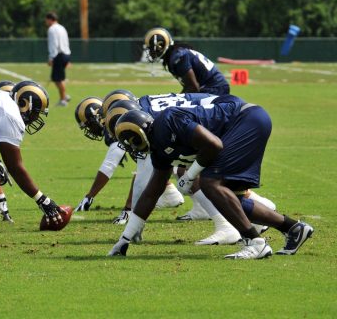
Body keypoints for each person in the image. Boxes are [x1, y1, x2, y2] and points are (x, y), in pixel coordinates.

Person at [109, 96, 314, 259]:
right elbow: (151, 192)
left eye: (130, 143)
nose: (131, 149)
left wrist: (189, 176)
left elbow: (213, 145)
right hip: (244, 123)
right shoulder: (158, 148)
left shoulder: (168, 121)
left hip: (248, 119)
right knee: (230, 199)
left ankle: (255, 243)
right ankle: (293, 228)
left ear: (137, 134)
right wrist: (125, 237)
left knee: (209, 183)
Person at [0, 80, 66, 225]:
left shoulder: (5, 97)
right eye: (37, 112)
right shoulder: (13, 117)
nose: (36, 118)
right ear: (26, 104)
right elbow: (15, 167)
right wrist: (42, 199)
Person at [143, 27, 229, 95]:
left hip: (214, 87)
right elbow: (190, 86)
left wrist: (175, 99)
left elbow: (194, 87)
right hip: (213, 86)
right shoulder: (174, 56)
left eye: (151, 49)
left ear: (160, 46)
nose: (150, 52)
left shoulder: (178, 57)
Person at [45, 12, 71, 106]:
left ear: (50, 19)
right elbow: (66, 42)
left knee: (57, 79)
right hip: (66, 54)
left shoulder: (52, 29)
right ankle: (65, 96)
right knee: (60, 78)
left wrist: (51, 57)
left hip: (58, 55)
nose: (46, 22)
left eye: (46, 20)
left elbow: (54, 44)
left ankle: (63, 99)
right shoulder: (62, 27)